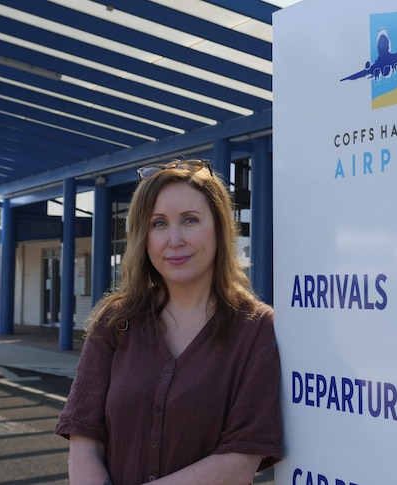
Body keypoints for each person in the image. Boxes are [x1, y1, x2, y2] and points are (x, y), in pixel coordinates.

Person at [55, 159, 282, 485]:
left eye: (190, 220)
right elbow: (84, 438)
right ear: (143, 237)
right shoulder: (116, 320)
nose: (174, 239)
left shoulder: (256, 328)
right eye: (158, 223)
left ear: (219, 228)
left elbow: (240, 460)